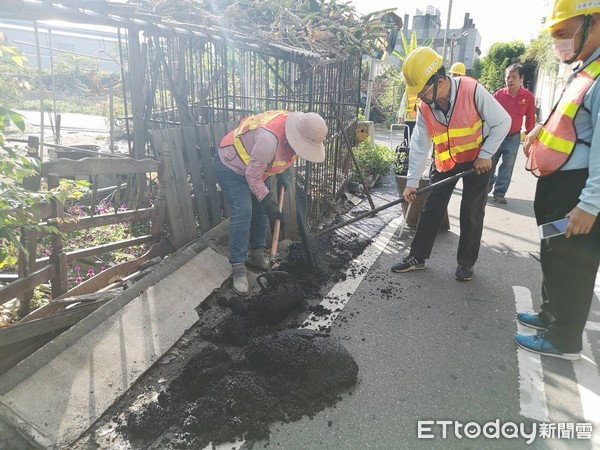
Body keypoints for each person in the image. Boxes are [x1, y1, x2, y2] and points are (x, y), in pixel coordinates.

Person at [515, 0, 600, 360]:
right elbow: (569, 120)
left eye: (564, 34)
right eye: (555, 36)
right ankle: (550, 314)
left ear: (593, 23)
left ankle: (564, 340)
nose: (558, 44)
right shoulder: (584, 71)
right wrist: (538, 129)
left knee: (572, 265)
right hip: (557, 184)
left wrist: (590, 203)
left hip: (577, 190)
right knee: (553, 254)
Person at [391, 47, 510, 281]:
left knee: (472, 212)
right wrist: (412, 182)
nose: (421, 97)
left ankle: (466, 263)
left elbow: (503, 121)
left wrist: (486, 154)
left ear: (441, 80)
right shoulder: (424, 107)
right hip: (445, 163)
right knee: (432, 208)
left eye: (423, 90)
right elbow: (419, 144)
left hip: (478, 161)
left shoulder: (472, 89)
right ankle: (417, 257)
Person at [216, 110, 327, 296]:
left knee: (260, 211)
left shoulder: (299, 126)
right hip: (232, 164)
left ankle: (257, 254)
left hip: (258, 165)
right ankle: (238, 267)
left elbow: (285, 151)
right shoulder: (268, 140)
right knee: (244, 212)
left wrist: (282, 173)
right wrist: (270, 205)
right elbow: (252, 176)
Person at [488, 64, 536, 204]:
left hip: (513, 137)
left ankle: (500, 193)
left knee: (507, 167)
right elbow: (488, 115)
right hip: (496, 136)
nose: (510, 80)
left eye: (514, 77)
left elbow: (530, 119)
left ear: (521, 78)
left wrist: (529, 137)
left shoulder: (528, 97)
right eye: (508, 77)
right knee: (489, 164)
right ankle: (487, 186)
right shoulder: (498, 95)